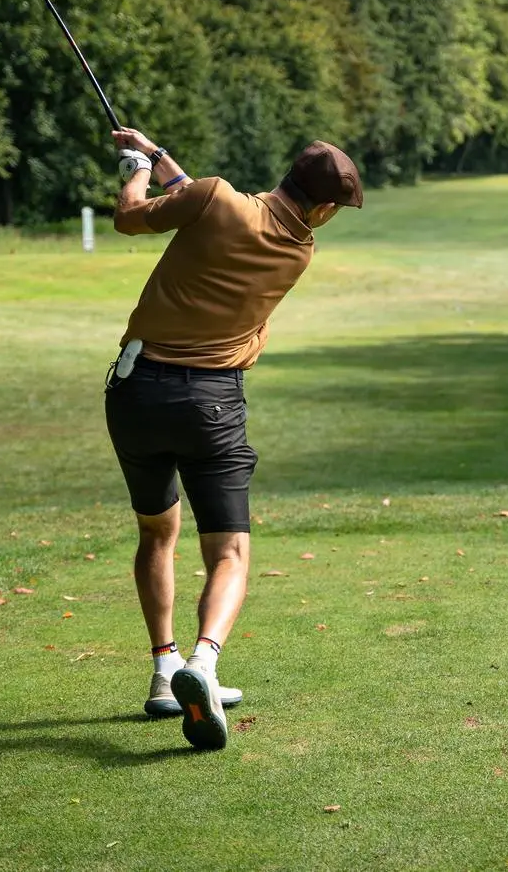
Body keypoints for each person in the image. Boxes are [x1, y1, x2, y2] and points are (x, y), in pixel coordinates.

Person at [104, 126, 363, 751]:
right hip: (212, 404)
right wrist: (159, 156)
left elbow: (134, 217)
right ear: (322, 209)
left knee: (156, 531)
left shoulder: (218, 199)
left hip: (135, 391)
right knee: (229, 553)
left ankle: (165, 669)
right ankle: (204, 664)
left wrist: (135, 167)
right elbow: (204, 202)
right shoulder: (299, 250)